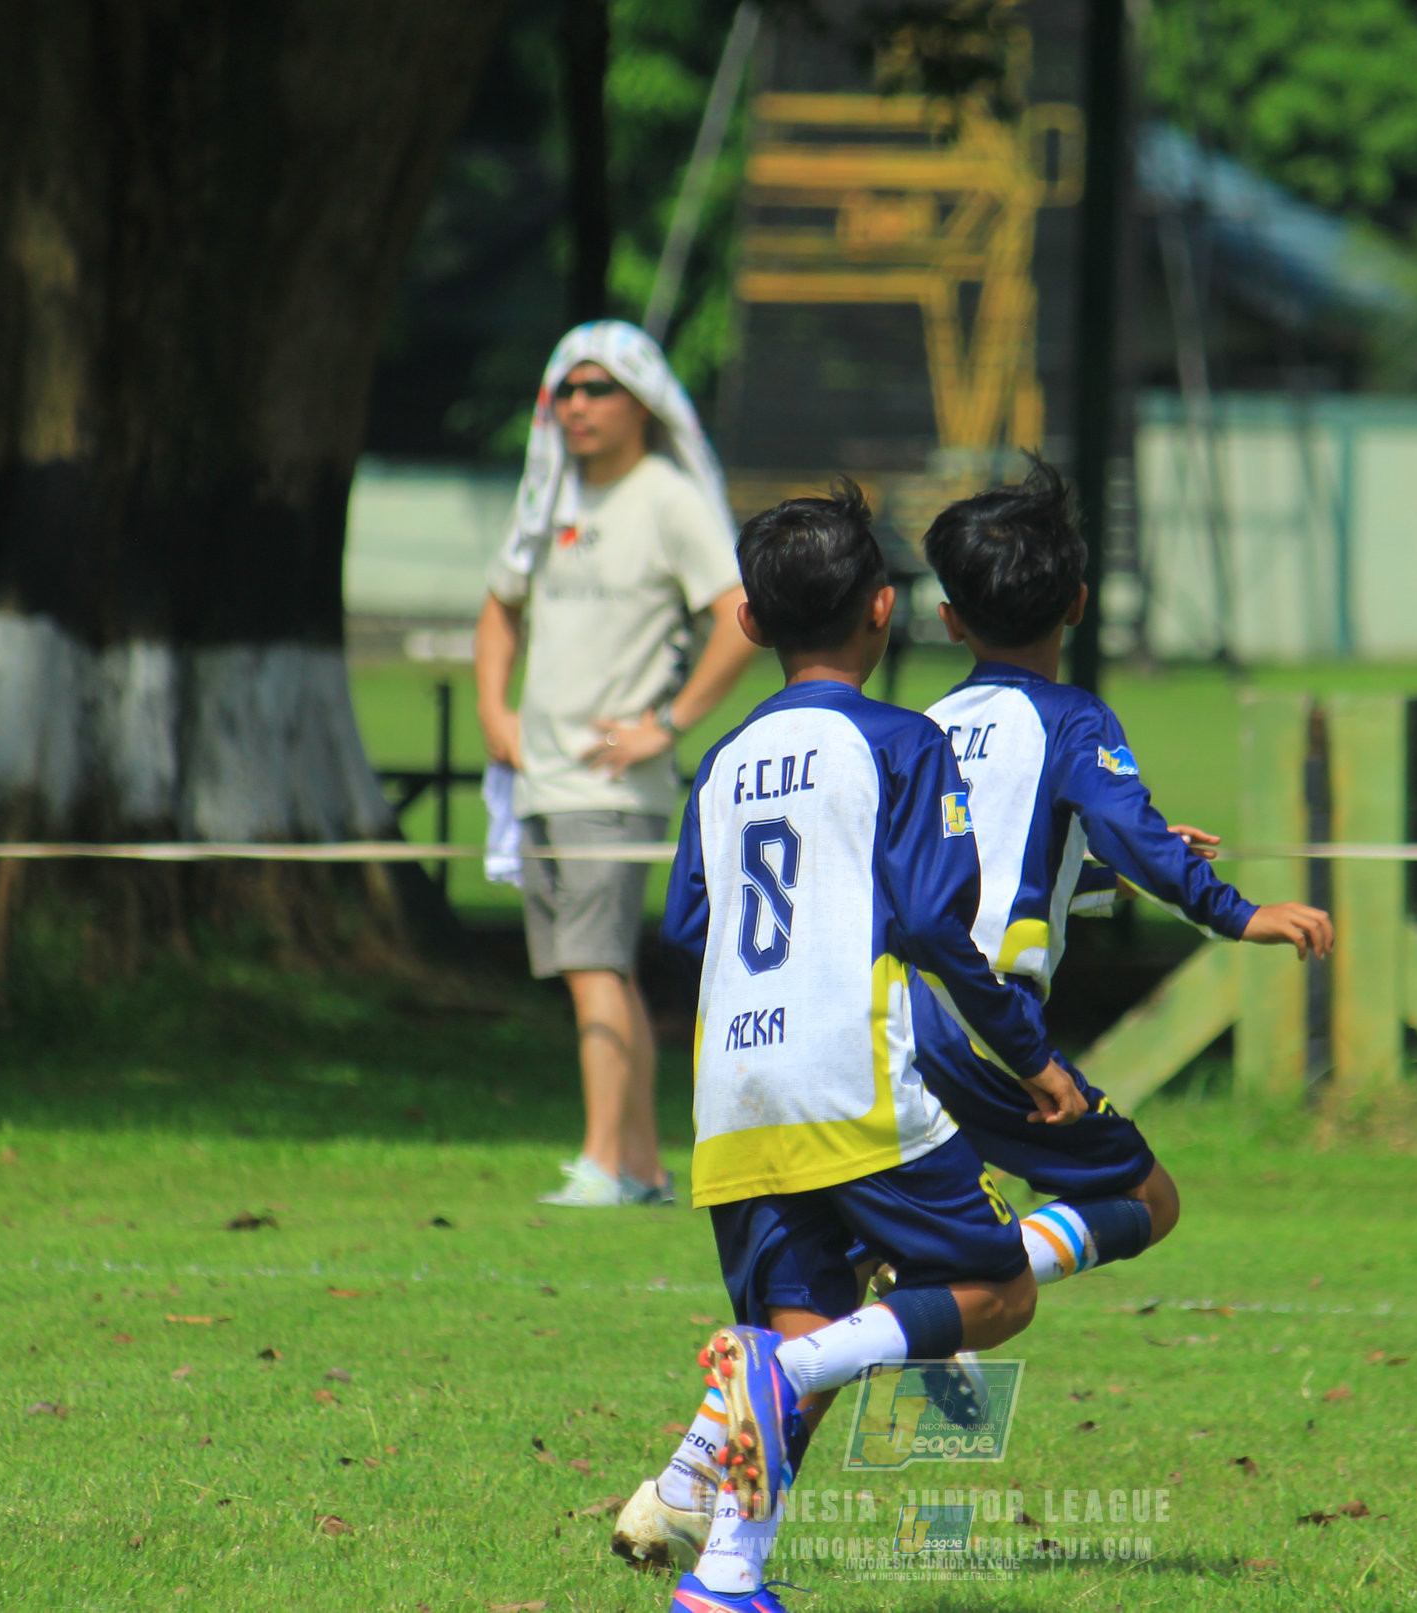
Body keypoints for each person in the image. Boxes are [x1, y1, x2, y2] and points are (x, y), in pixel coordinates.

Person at [617, 481, 1085, 1609]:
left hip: (734, 1089)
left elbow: (686, 925)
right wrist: (1032, 1056)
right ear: (884, 607)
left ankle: (726, 1576)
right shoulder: (903, 742)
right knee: (996, 1288)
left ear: (748, 625)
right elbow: (932, 922)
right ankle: (793, 1369)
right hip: (850, 1073)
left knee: (797, 1313)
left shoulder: (723, 761)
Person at [914, 456, 1331, 1288]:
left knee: (899, 1212)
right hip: (987, 1022)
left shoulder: (919, 729)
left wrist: (1099, 869)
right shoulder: (1070, 719)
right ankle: (966, 1270)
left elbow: (996, 861)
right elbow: (1127, 832)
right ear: (1078, 603)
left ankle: (799, 1373)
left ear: (949, 620)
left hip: (889, 1017)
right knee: (1144, 1197)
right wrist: (1238, 912)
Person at [476, 322, 756, 1208]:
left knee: (594, 963)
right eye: (568, 390)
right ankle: (640, 1166)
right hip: (541, 775)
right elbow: (499, 604)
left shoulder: (668, 498)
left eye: (600, 389)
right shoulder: (549, 491)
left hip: (610, 782)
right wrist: (495, 710)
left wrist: (663, 725)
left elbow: (738, 611)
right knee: (592, 969)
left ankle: (601, 1159)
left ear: (643, 402)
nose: (581, 407)